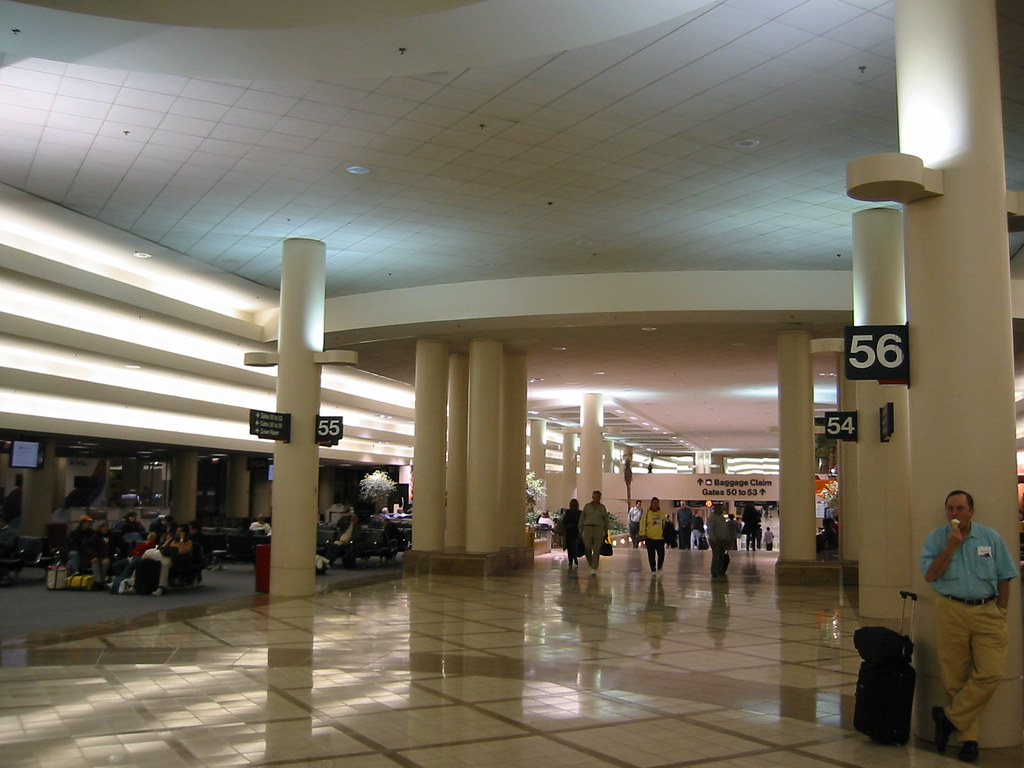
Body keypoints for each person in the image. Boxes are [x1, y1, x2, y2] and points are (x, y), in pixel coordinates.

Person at [920, 490, 1017, 763]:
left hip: (988, 611)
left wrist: (1002, 610)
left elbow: (1005, 576)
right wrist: (951, 546)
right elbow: (930, 575)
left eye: (960, 508)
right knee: (955, 678)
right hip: (951, 610)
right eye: (950, 508)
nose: (954, 513)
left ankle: (948, 718)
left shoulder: (990, 537)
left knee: (990, 673)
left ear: (970, 511)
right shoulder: (936, 539)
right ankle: (969, 739)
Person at [580, 490, 609, 574]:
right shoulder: (587, 506)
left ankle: (594, 567)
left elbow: (606, 520)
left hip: (598, 529)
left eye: (598, 496)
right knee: (587, 548)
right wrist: (580, 529)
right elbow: (582, 518)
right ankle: (591, 563)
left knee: (596, 549)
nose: (596, 498)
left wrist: (606, 531)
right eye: (594, 496)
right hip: (587, 528)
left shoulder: (602, 507)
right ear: (592, 497)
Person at [639, 497, 667, 575]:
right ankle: (653, 570)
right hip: (650, 538)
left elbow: (664, 525)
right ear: (651, 504)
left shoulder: (661, 514)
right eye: (654, 503)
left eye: (657, 503)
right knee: (651, 555)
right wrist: (642, 534)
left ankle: (659, 568)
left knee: (661, 555)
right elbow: (642, 523)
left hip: (660, 538)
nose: (655, 505)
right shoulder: (646, 513)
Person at [707, 507, 730, 577]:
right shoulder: (712, 518)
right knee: (716, 556)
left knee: (721, 556)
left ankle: (720, 570)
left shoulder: (722, 517)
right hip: (715, 540)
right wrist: (714, 539)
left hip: (723, 540)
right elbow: (710, 530)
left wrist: (727, 537)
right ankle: (714, 571)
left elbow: (725, 528)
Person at [561, 499, 582, 568]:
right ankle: (575, 556)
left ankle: (570, 560)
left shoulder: (568, 512)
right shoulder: (579, 513)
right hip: (577, 531)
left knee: (569, 547)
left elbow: (564, 521)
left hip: (569, 531)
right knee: (575, 545)